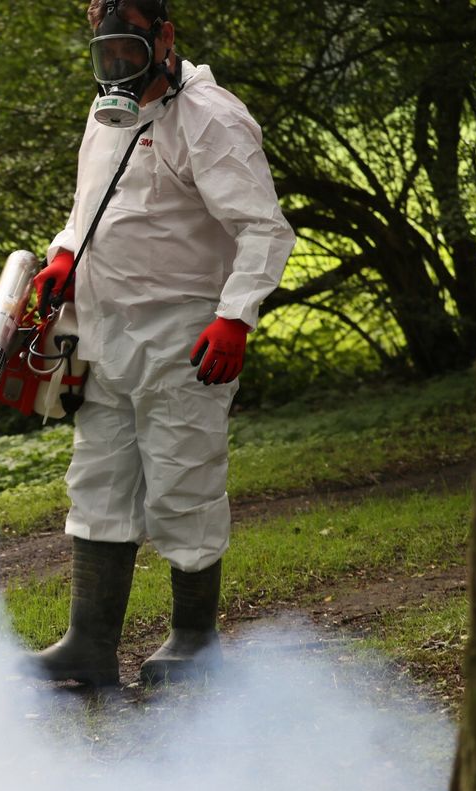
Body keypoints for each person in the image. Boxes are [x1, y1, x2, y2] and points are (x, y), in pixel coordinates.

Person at [27, 0, 295, 685]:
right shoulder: (104, 114)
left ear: (164, 38)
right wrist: (64, 254)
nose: (115, 65)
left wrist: (235, 317)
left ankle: (196, 644)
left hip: (183, 336)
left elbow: (264, 229)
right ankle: (88, 646)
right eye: (104, 50)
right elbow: (90, 206)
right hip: (104, 327)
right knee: (98, 483)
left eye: (128, 50)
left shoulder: (211, 120)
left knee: (184, 480)